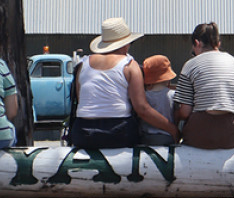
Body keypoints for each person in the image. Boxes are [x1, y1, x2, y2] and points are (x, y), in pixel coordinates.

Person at [174, 22, 234, 198]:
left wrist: (173, 118)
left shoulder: (190, 65)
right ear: (218, 42)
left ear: (196, 43)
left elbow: (185, 112)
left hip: (202, 135)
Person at [71, 17, 178, 149]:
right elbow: (142, 109)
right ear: (124, 44)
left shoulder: (83, 64)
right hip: (118, 133)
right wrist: (172, 128)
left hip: (82, 132)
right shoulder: (129, 65)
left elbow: (82, 101)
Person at [138, 55, 178, 146]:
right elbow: (177, 117)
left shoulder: (143, 97)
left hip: (146, 138)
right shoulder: (173, 95)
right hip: (168, 137)